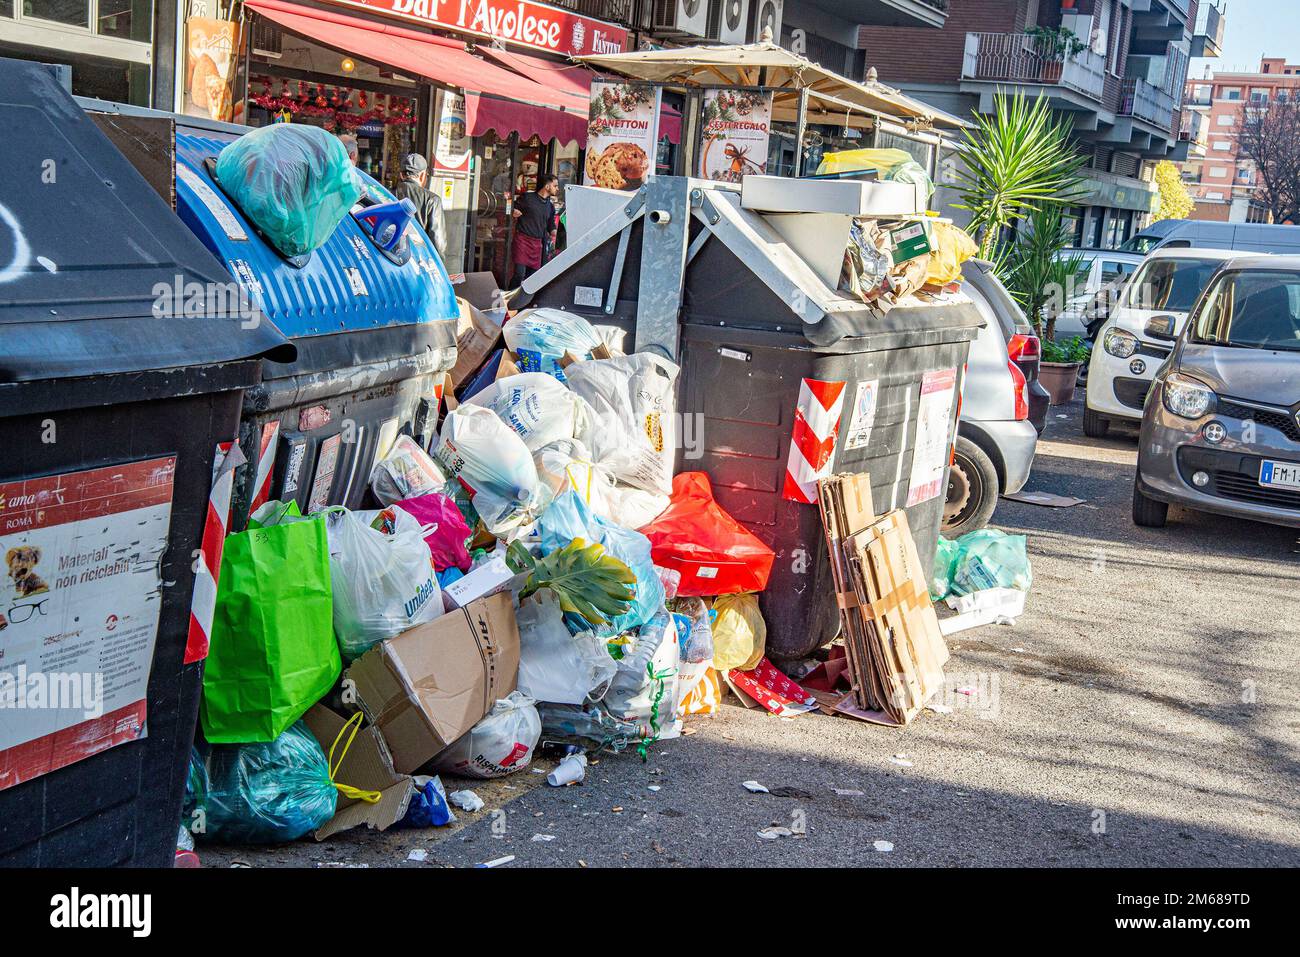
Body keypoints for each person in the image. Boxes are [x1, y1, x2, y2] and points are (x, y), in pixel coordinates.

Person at [394, 153, 447, 259]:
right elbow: (438, 245)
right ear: (423, 175)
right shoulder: (432, 200)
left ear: (401, 175)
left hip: (389, 258)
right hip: (419, 262)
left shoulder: (386, 194)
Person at [511, 173, 559, 287]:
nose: (557, 189)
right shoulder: (528, 198)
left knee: (532, 277)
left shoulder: (550, 206)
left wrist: (558, 234)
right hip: (522, 240)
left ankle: (523, 301)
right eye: (555, 186)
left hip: (537, 244)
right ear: (547, 186)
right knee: (519, 273)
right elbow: (512, 207)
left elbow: (550, 225)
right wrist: (514, 211)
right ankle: (510, 297)